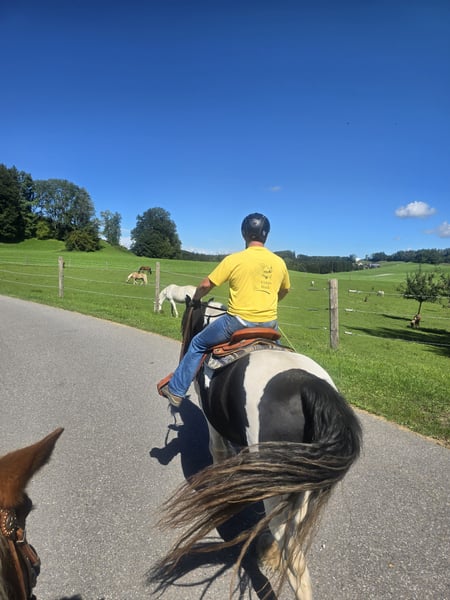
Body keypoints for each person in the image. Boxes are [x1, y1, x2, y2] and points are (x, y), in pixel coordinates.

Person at [157, 212, 291, 408]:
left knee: (198, 343)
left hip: (237, 323)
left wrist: (196, 299)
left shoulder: (234, 259)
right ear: (266, 235)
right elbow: (285, 290)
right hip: (270, 326)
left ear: (244, 233)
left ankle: (176, 390)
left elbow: (205, 285)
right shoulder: (279, 262)